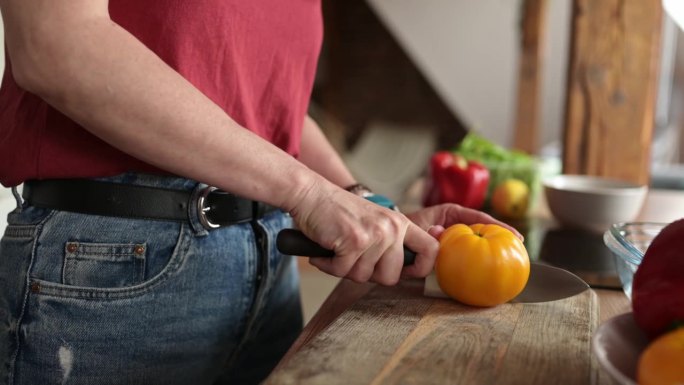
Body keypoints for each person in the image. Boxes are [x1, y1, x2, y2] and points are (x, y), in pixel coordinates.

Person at [0, 1, 519, 384]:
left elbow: (263, 108)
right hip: (118, 268)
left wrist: (365, 202)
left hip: (267, 261)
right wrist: (309, 194)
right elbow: (54, 45)